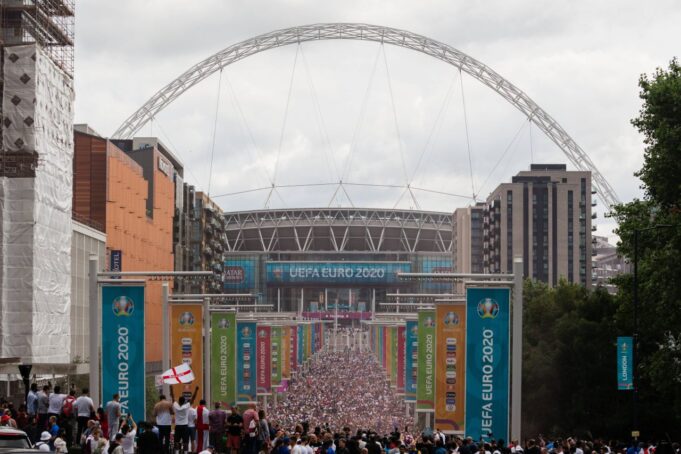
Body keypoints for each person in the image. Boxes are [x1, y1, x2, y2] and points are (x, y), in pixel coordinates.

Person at [171, 386, 199, 454]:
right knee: (185, 442)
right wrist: (196, 390)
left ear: (178, 401)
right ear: (184, 402)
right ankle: (186, 452)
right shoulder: (186, 406)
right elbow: (193, 398)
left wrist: (171, 389)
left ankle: (177, 452)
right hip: (185, 427)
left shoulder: (176, 406)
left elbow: (172, 397)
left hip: (177, 426)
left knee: (176, 441)